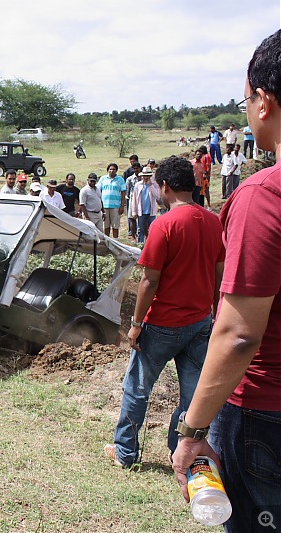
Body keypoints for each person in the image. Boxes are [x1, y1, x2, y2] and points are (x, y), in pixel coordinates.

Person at [172, 31, 281, 532]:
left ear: (264, 99)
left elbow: (239, 334)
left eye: (246, 99)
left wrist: (192, 431)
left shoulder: (263, 198)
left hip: (265, 414)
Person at [105, 156, 224, 469]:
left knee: (137, 389)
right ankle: (179, 452)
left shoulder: (164, 224)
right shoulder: (213, 222)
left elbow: (149, 280)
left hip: (162, 325)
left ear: (165, 186)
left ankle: (125, 453)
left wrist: (135, 324)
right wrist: (212, 313)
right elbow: (218, 274)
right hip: (200, 323)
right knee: (191, 395)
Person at [129, 167, 160, 243]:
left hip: (151, 211)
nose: (146, 177)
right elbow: (135, 199)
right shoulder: (138, 185)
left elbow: (157, 196)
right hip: (141, 211)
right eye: (144, 176)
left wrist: (151, 186)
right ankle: (141, 245)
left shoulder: (154, 185)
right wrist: (134, 211)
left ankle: (151, 244)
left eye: (148, 176)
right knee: (141, 229)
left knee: (151, 229)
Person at [98, 163, 126, 237]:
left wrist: (122, 206)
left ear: (116, 170)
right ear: (108, 170)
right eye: (110, 169)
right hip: (104, 206)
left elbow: (123, 194)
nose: (112, 171)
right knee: (106, 226)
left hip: (115, 206)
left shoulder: (120, 180)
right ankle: (107, 242)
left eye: (113, 169)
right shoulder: (103, 179)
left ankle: (115, 242)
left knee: (115, 226)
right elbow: (98, 191)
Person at [124, 163, 140, 239]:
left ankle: (142, 235)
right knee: (132, 218)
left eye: (137, 168)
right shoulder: (130, 179)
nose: (136, 170)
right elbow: (127, 191)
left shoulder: (143, 178)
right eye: (134, 168)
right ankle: (133, 236)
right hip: (132, 200)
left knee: (142, 219)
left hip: (141, 200)